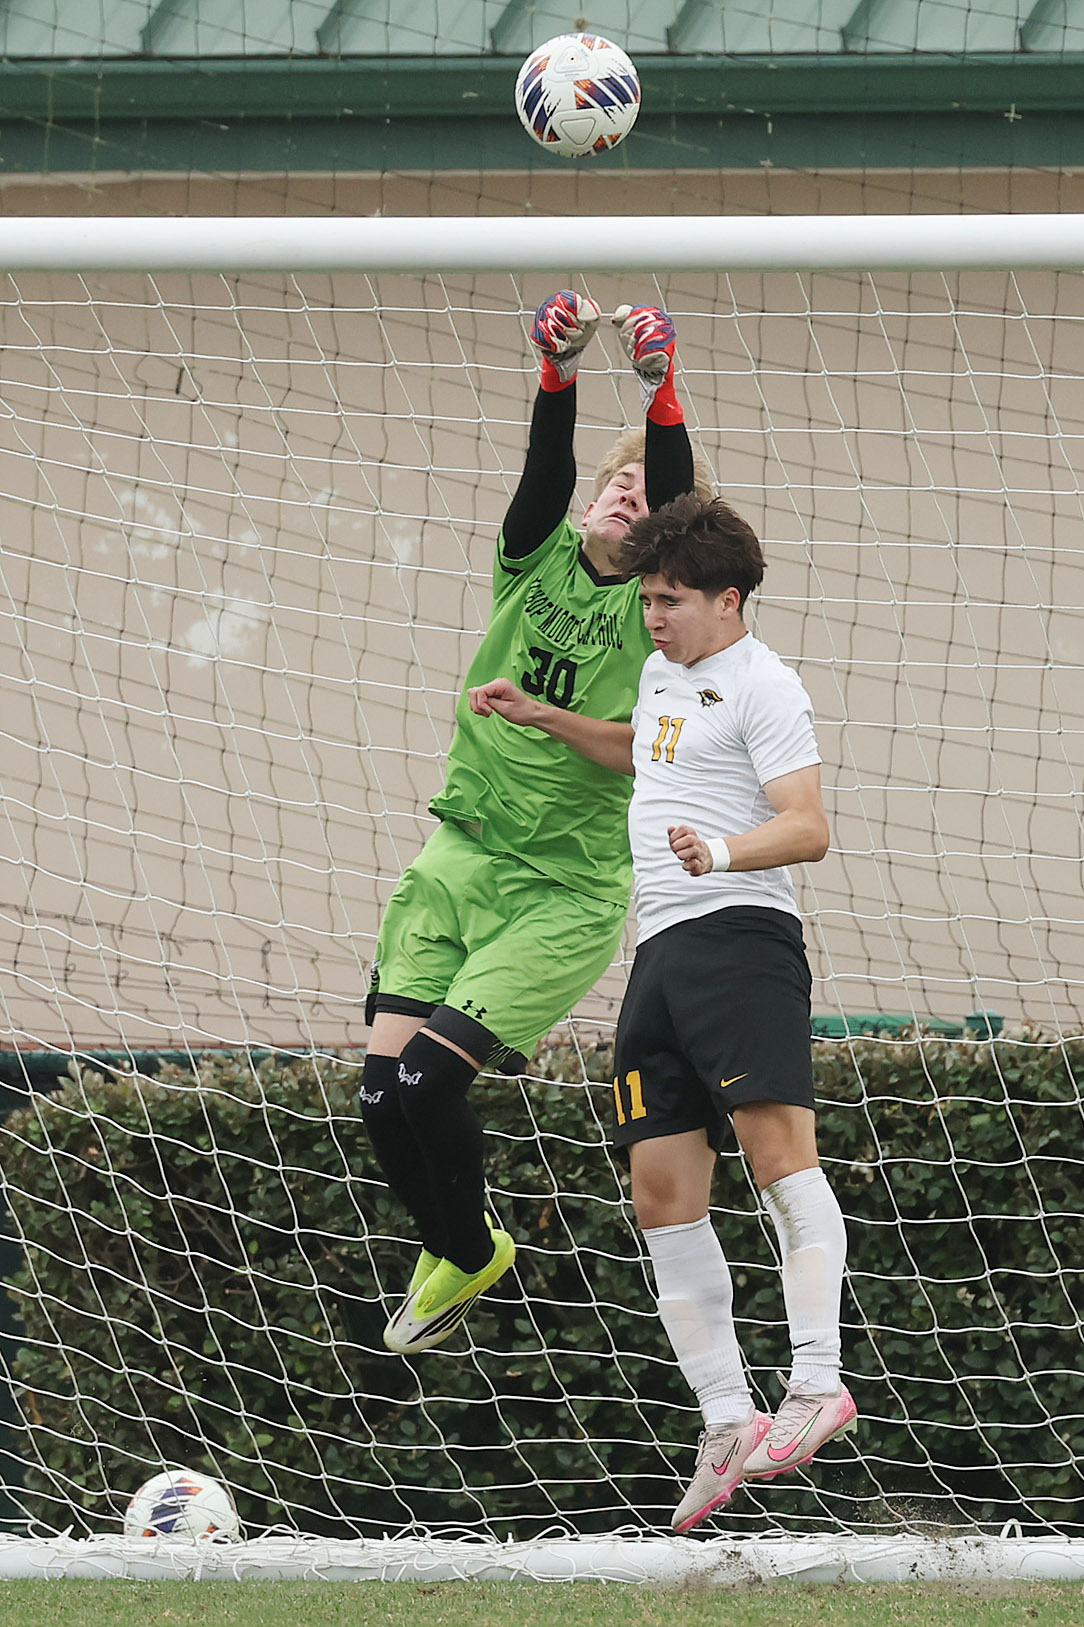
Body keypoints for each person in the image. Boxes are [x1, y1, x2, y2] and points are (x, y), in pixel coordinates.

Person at [468, 493, 854, 1534]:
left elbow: (809, 824)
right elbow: (644, 751)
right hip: (663, 955)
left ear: (728, 601)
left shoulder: (766, 684)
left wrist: (721, 851)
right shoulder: (660, 672)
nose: (653, 616)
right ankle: (726, 1417)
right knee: (659, 1192)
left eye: (672, 601)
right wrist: (543, 714)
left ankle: (816, 1383)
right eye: (646, 599)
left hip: (741, 941)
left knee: (781, 1165)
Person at [362, 291, 712, 1356]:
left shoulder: (661, 628)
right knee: (382, 1099)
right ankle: (468, 1254)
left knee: (428, 1078)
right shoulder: (536, 556)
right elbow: (544, 473)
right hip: (458, 854)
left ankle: (473, 1256)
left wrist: (661, 393)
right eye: (616, 478)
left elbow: (627, 750)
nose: (620, 492)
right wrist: (558, 370)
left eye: (641, 487)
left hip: (560, 891)